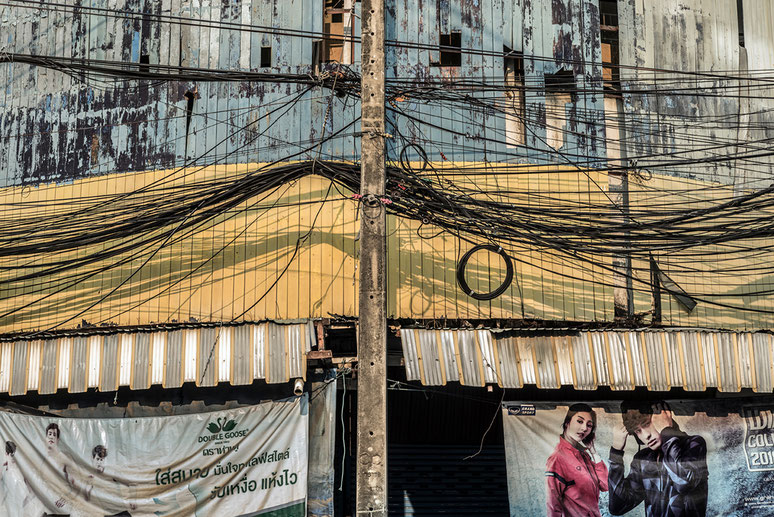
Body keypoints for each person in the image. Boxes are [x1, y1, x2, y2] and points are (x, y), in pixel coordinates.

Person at [608, 401, 708, 517]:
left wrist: (667, 430)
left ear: (663, 418)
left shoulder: (693, 444)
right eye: (638, 431)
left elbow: (683, 483)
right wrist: (616, 453)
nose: (646, 436)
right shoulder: (643, 459)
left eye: (646, 424)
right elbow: (617, 507)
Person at [545, 403, 609, 517]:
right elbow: (553, 506)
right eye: (580, 421)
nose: (584, 428)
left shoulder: (584, 455)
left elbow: (605, 485)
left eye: (589, 425)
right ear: (567, 422)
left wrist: (594, 452)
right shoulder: (557, 459)